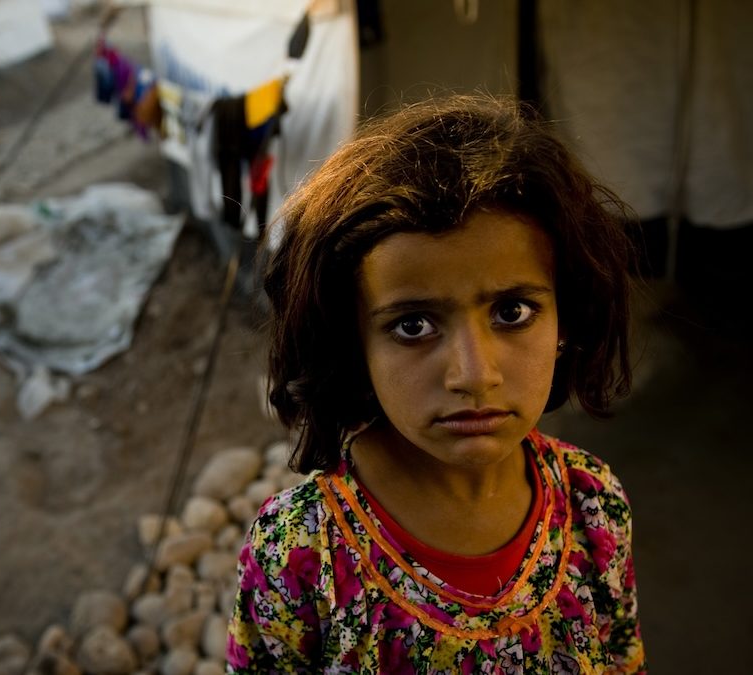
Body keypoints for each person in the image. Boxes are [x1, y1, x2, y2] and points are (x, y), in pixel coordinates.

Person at [228, 95, 645, 672]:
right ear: (353, 346)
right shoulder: (300, 552)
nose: (474, 375)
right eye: (413, 325)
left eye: (513, 312)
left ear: (565, 321)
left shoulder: (593, 504)